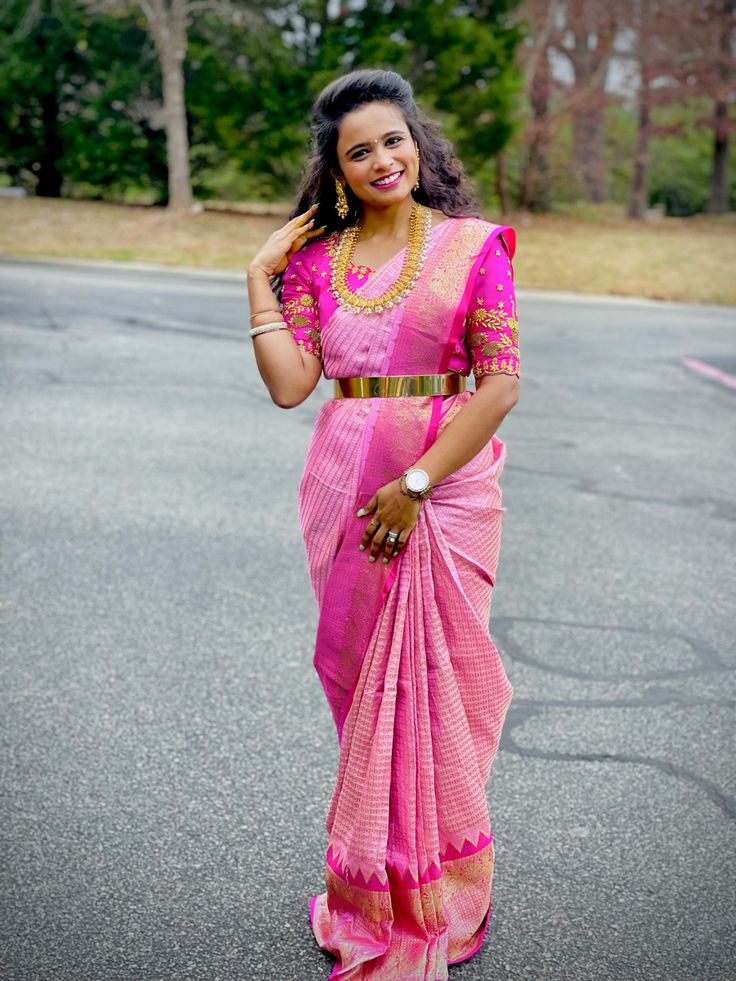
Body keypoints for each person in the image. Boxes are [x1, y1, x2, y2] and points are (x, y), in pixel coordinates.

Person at [247, 67, 519, 980]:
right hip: (343, 484)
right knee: (360, 681)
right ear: (336, 168)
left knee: (437, 690)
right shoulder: (317, 263)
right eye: (358, 150)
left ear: (418, 144)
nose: (380, 159)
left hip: (435, 488)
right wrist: (259, 274)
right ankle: (374, 887)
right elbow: (293, 385)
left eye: (392, 140)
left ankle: (436, 892)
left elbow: (501, 384)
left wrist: (416, 480)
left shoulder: (473, 248)